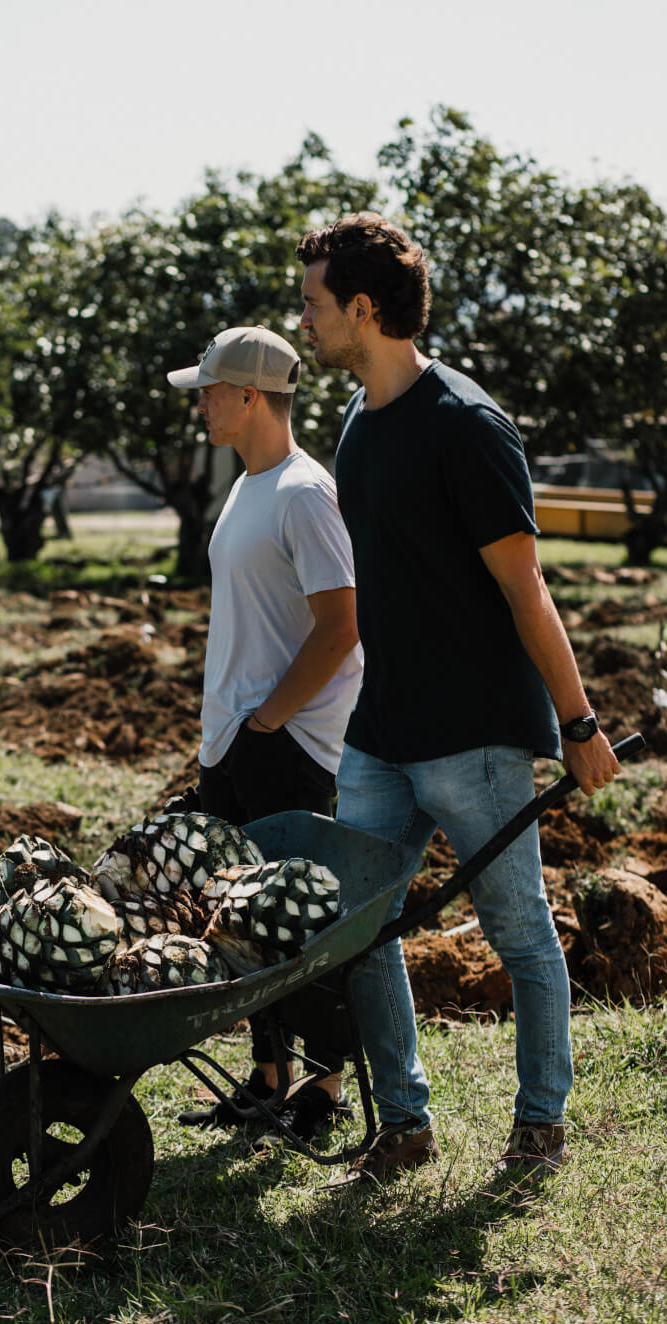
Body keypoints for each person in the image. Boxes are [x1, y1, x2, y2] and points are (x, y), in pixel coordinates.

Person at [295, 213, 621, 1183]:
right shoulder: (358, 423)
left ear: (363, 307)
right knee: (358, 927)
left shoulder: (465, 426)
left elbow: (527, 587)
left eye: (314, 302)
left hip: (473, 734)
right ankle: (404, 1122)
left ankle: (541, 1126)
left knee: (519, 928)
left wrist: (579, 722)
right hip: (382, 727)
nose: (304, 320)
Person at [166, 325, 364, 1149]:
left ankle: (324, 1086)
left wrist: (270, 721)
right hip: (237, 741)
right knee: (244, 924)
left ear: (250, 396)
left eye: (209, 390)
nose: (199, 404)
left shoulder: (302, 492)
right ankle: (267, 1079)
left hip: (282, 745)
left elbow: (342, 624)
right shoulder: (249, 485)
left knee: (293, 928)